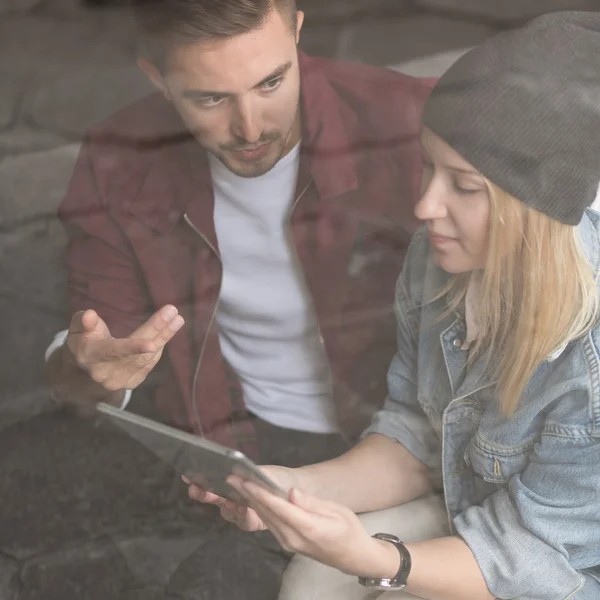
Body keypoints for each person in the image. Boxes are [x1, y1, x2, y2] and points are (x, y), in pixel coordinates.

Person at [186, 11, 600, 600]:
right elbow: (416, 435)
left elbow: (536, 559)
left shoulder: (591, 361)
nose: (426, 205)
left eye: (464, 186)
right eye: (429, 168)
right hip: (478, 509)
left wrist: (378, 559)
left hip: (564, 570)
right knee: (311, 582)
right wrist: (290, 488)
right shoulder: (438, 261)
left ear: (533, 209)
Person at [45, 0, 433, 467]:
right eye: (212, 98)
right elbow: (95, 349)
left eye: (271, 82)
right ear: (157, 79)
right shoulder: (122, 157)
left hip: (411, 439)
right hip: (232, 437)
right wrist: (87, 370)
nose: (250, 128)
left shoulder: (412, 122)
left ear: (298, 31)